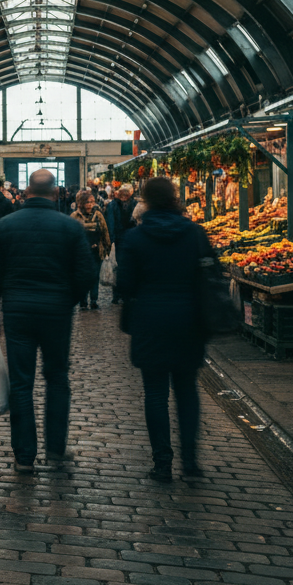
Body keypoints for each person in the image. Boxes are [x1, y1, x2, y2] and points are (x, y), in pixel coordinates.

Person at [0, 169, 95, 473]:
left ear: (26, 193)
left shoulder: (5, 226)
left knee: (21, 383)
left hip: (17, 312)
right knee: (57, 379)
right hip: (56, 313)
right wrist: (66, 299)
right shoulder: (70, 228)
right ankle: (56, 449)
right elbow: (86, 273)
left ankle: (24, 456)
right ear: (56, 194)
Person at [116, 178, 211, 482]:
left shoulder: (134, 238)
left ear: (145, 201)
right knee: (186, 390)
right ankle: (191, 463)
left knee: (155, 393)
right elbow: (212, 276)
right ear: (174, 199)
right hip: (189, 322)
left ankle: (162, 463)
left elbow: (125, 286)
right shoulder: (195, 234)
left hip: (150, 322)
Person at [71, 191, 110, 310]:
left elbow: (104, 232)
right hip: (81, 253)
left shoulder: (98, 215)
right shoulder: (75, 216)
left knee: (95, 276)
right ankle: (83, 301)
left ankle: (94, 300)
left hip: (96, 251)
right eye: (88, 202)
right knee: (82, 277)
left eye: (92, 202)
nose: (90, 205)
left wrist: (108, 248)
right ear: (81, 203)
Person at [106, 185, 137, 304]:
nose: (124, 196)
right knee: (117, 267)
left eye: (127, 193)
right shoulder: (112, 205)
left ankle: (126, 293)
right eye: (123, 193)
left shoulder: (134, 204)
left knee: (128, 266)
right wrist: (111, 240)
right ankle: (117, 293)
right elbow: (111, 223)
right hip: (118, 240)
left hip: (130, 239)